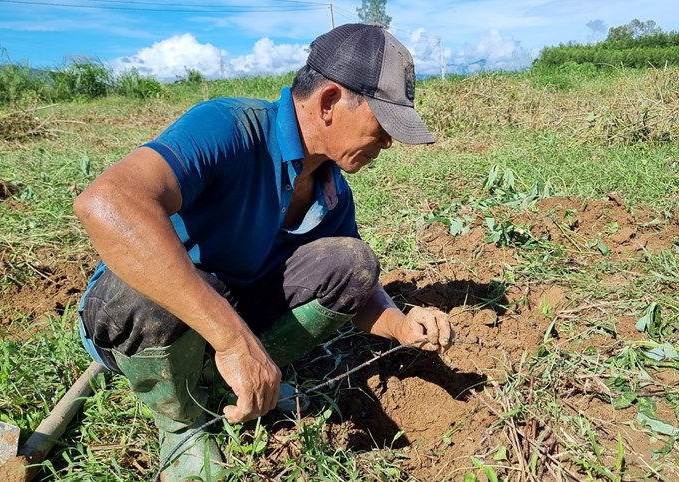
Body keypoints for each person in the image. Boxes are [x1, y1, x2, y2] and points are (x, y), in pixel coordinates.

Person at [74, 23, 454, 481]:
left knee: (353, 262)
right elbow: (106, 201)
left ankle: (228, 376)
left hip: (234, 307)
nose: (388, 142)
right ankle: (182, 421)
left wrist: (401, 325)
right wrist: (234, 340)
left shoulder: (332, 189)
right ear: (330, 102)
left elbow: (359, 288)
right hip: (147, 316)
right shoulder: (228, 127)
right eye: (382, 124)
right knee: (144, 297)